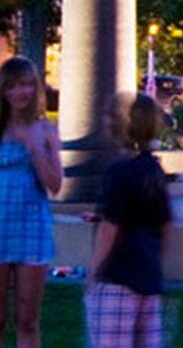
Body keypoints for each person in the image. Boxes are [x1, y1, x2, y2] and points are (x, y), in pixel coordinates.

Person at [86, 94, 171, 347]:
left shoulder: (119, 171)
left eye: (109, 117)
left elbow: (110, 228)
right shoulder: (153, 170)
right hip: (148, 276)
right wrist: (156, 262)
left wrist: (94, 273)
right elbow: (165, 223)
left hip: (117, 277)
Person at [0, 56, 61, 348]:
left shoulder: (46, 130)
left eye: (26, 85)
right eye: (11, 86)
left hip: (32, 228)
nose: (19, 93)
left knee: (27, 318)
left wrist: (35, 150)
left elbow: (55, 185)